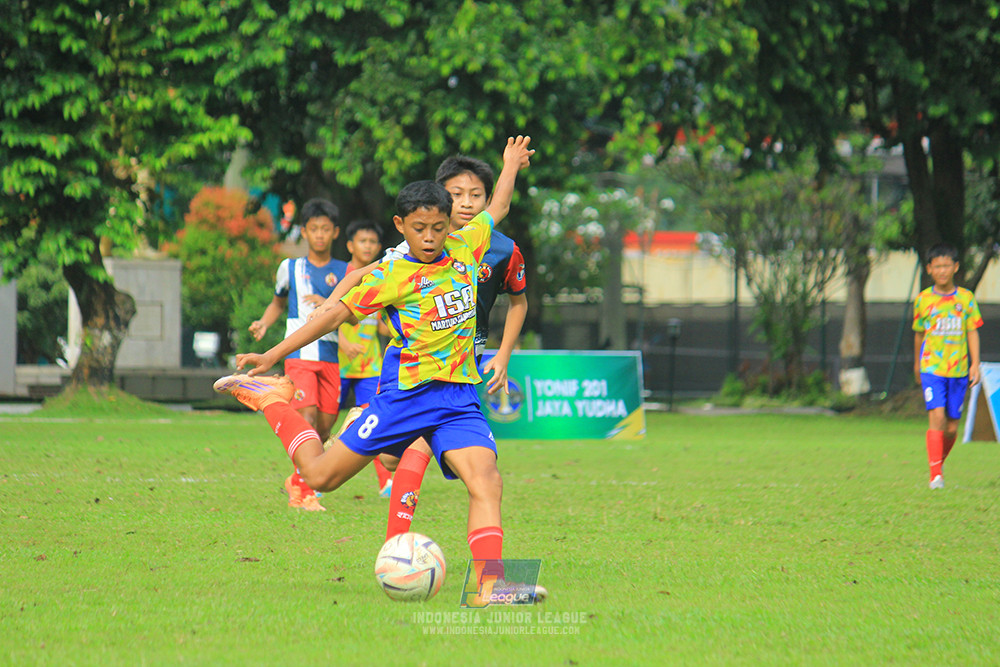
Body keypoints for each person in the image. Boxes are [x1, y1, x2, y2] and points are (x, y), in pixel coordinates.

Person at [214, 135, 534, 586]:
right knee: (320, 477)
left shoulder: (468, 245)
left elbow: (498, 206)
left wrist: (510, 163)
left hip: (459, 400)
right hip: (405, 398)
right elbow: (332, 317)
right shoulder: (391, 273)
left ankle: (490, 584)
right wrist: (272, 354)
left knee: (487, 481)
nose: (429, 237)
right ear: (400, 225)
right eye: (419, 228)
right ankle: (271, 401)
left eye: (438, 227)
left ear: (450, 224)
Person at [248, 198, 348, 511]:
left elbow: (354, 315)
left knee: (324, 427)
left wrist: (329, 305)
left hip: (330, 356)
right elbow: (278, 302)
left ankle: (298, 479)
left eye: (325, 229)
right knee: (306, 418)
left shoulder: (346, 271)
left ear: (335, 232)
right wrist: (264, 323)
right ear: (304, 231)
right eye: (313, 229)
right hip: (299, 354)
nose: (319, 235)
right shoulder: (289, 268)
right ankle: (304, 493)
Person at [912, 243, 983, 490]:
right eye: (937, 266)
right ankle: (935, 477)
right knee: (938, 417)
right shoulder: (923, 299)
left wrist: (975, 364)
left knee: (952, 428)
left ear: (955, 267)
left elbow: (972, 331)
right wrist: (917, 364)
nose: (942, 271)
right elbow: (919, 334)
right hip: (932, 368)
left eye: (946, 266)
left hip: (958, 370)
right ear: (929, 269)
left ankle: (937, 465)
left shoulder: (966, 298)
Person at [337, 219, 394, 497]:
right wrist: (344, 342)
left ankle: (385, 481)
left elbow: (382, 325)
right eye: (363, 241)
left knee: (374, 421)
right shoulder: (340, 276)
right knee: (322, 423)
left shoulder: (381, 278)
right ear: (350, 245)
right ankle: (308, 477)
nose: (368, 246)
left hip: (370, 366)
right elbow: (325, 315)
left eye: (372, 242)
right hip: (337, 364)